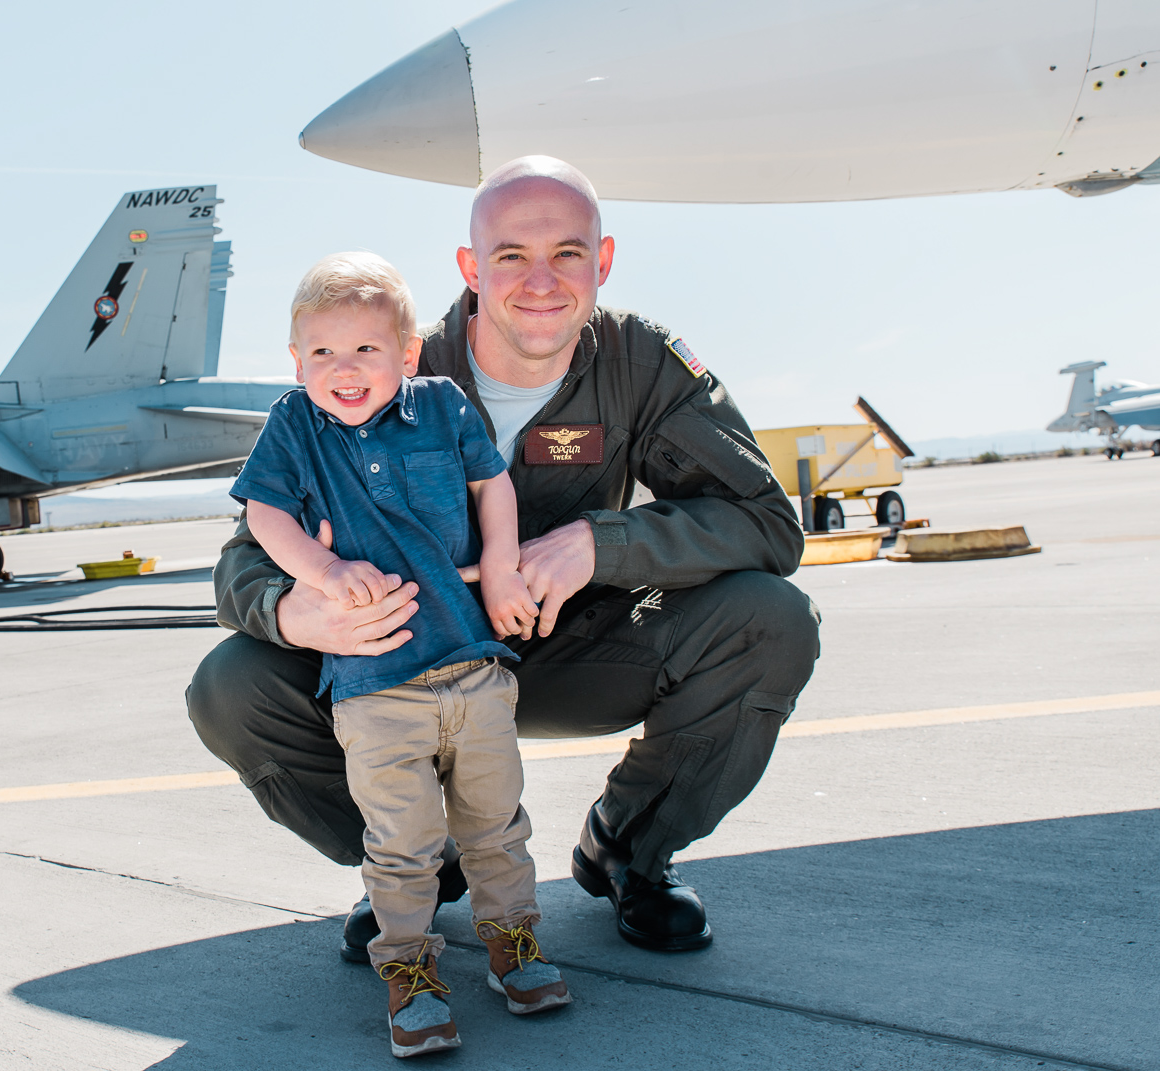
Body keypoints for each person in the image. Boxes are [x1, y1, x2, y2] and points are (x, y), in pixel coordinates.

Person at [188, 155, 820, 962]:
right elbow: (243, 562)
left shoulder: (643, 364)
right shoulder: (389, 362)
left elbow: (764, 523)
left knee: (772, 622)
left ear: (604, 260)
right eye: (512, 255)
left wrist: (600, 542)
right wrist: (293, 605)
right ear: (470, 267)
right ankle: (411, 868)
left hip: (573, 642)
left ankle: (628, 848)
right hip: (407, 655)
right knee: (231, 684)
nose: (542, 280)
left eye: (568, 252)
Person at [230, 252, 571, 1058]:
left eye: (366, 351)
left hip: (473, 664)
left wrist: (500, 560)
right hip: (374, 684)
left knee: (497, 826)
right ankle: (412, 974)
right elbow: (266, 517)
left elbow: (494, 485)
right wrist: (325, 571)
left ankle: (512, 948)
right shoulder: (293, 426)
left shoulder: (444, 406)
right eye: (323, 353)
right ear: (296, 360)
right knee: (403, 842)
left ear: (408, 353)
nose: (344, 371)